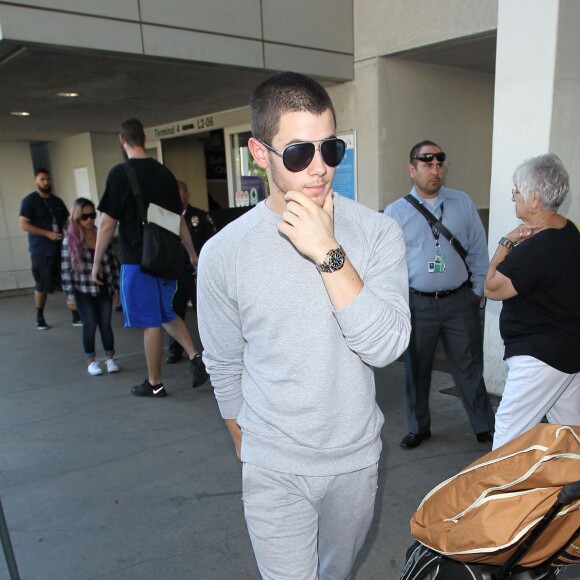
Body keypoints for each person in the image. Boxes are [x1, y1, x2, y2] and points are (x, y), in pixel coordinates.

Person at [197, 72, 411, 580]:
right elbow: (223, 361)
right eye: (298, 153)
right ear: (259, 152)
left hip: (354, 459)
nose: (319, 169)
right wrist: (246, 445)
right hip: (272, 463)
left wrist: (329, 254)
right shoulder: (224, 253)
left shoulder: (378, 233)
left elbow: (386, 347)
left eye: (330, 149)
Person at [385, 140, 495, 449]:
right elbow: (390, 264)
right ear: (412, 169)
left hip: (460, 302)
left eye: (439, 164)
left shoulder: (461, 202)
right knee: (416, 369)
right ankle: (419, 427)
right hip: (418, 304)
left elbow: (477, 248)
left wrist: (476, 290)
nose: (435, 170)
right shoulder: (395, 211)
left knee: (469, 366)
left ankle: (484, 425)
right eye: (427, 164)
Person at [91, 118, 208, 397]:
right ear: (144, 138)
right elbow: (178, 221)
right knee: (166, 312)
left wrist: (96, 263)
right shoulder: (165, 174)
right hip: (164, 258)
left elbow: (107, 224)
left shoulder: (120, 173)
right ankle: (194, 356)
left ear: (122, 140)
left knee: (150, 322)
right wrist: (192, 254)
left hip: (136, 259)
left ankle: (154, 383)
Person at [484, 153, 580, 450]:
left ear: (535, 199)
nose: (514, 198)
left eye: (517, 191)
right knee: (571, 433)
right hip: (566, 353)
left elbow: (491, 287)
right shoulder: (569, 230)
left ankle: (500, 495)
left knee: (507, 443)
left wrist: (506, 242)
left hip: (540, 358)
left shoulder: (537, 248)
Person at [62, 198, 120, 376]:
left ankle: (110, 358)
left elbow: (112, 263)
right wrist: (70, 295)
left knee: (105, 324)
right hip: (83, 289)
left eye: (92, 215)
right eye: (84, 216)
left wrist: (115, 288)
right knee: (89, 324)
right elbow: (66, 269)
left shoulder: (102, 235)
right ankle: (91, 361)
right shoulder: (70, 241)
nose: (89, 220)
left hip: (103, 287)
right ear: (76, 218)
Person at [19, 168, 82, 329]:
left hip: (60, 248)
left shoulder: (56, 201)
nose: (45, 182)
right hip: (41, 250)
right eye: (42, 179)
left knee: (67, 280)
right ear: (36, 181)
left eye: (47, 179)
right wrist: (48, 234)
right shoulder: (29, 201)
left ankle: (76, 314)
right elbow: (24, 224)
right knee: (42, 284)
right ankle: (40, 316)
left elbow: (68, 222)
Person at [166, 180, 216, 364]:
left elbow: (212, 242)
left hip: (196, 272)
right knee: (174, 311)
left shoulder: (200, 217)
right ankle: (175, 351)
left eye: (180, 192)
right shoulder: (166, 218)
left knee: (203, 313)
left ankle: (210, 351)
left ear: (187, 194)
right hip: (175, 272)